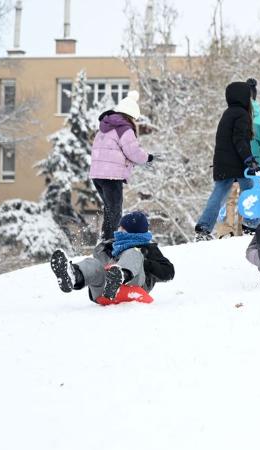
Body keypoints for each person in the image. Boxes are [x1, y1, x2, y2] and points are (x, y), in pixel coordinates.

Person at [50, 211, 174, 305]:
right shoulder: (112, 247)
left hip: (133, 287)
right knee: (93, 263)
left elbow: (168, 272)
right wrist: (105, 249)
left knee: (133, 253)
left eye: (122, 229)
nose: (118, 231)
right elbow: (98, 258)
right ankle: (73, 276)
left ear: (133, 232)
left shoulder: (147, 249)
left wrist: (145, 262)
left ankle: (120, 276)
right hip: (105, 292)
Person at [194, 81, 260, 241]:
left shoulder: (229, 112)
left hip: (224, 163)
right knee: (250, 191)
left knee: (219, 195)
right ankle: (251, 226)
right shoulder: (242, 115)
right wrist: (249, 160)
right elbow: (240, 140)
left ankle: (203, 228)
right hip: (237, 163)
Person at [89, 91, 153, 241]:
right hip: (111, 176)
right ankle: (110, 242)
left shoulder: (104, 127)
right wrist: (147, 158)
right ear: (130, 116)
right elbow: (133, 151)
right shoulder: (124, 128)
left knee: (110, 210)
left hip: (97, 175)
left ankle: (105, 239)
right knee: (115, 211)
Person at [214, 78, 260, 238]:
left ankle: (225, 231)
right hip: (255, 167)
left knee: (229, 198)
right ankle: (246, 229)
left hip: (232, 163)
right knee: (250, 198)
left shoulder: (230, 114)